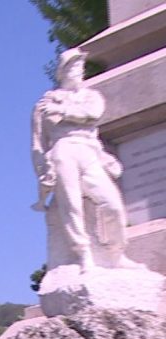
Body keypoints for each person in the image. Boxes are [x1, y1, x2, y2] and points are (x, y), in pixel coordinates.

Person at [30, 48, 141, 272]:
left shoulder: (91, 96)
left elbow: (93, 114)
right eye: (72, 67)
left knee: (113, 204)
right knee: (71, 205)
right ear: (62, 72)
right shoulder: (43, 104)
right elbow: (37, 144)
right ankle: (83, 255)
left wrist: (62, 111)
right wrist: (42, 172)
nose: (78, 71)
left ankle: (116, 254)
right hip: (62, 150)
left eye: (80, 66)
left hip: (89, 151)